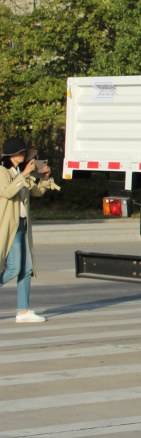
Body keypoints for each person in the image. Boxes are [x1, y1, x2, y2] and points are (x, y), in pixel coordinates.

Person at [1, 136, 60, 322]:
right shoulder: (2, 172)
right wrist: (24, 174)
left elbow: (37, 192)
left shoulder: (20, 171)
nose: (24, 154)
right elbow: (7, 192)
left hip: (23, 225)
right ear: (10, 155)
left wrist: (45, 177)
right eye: (20, 152)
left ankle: (23, 311)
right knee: (13, 268)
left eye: (24, 151)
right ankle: (23, 311)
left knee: (26, 269)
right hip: (8, 226)